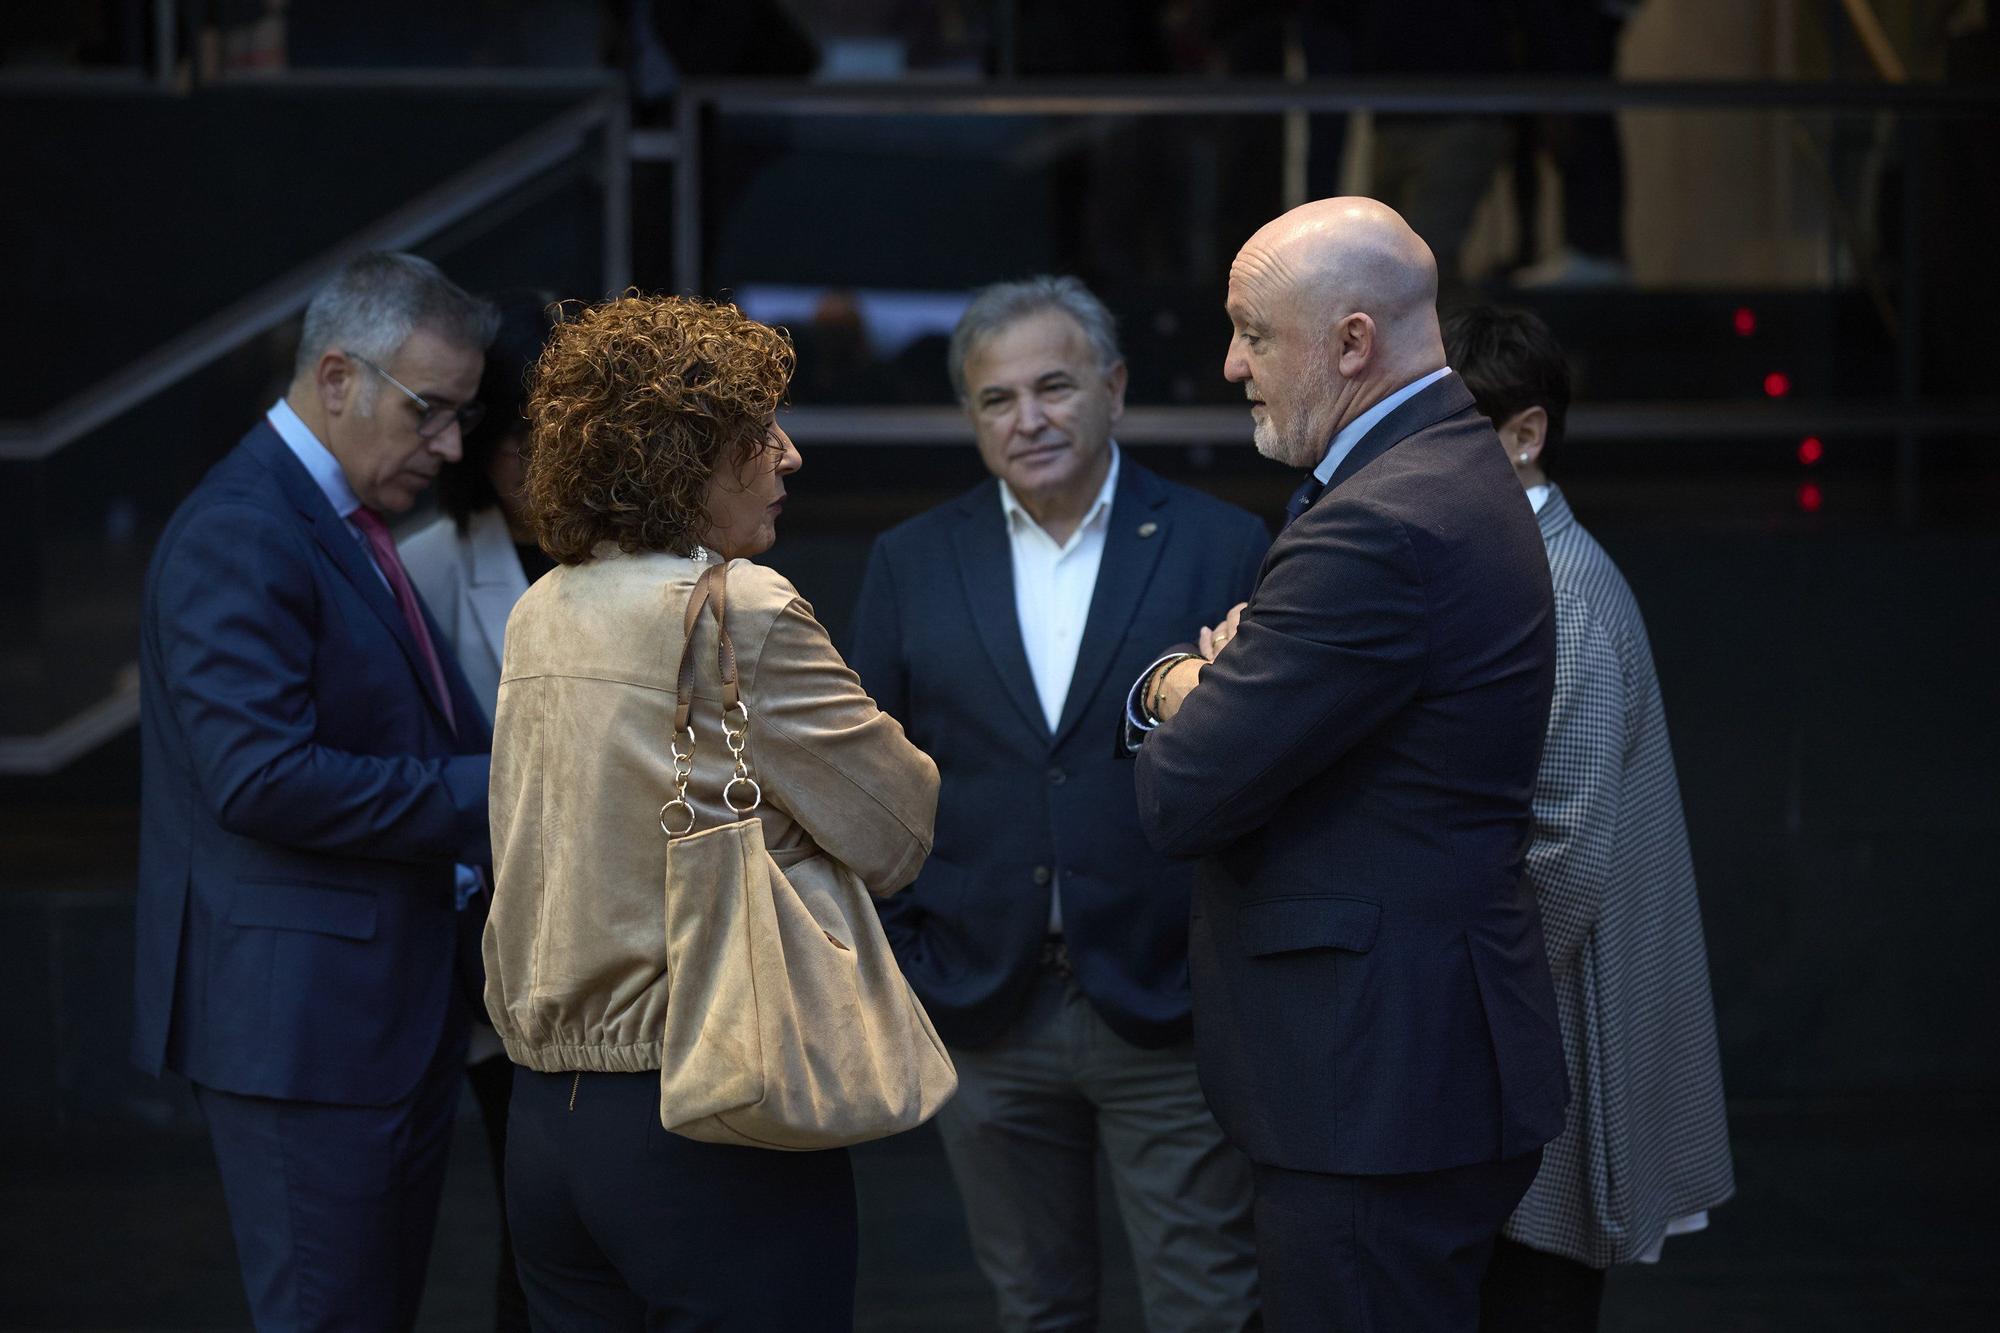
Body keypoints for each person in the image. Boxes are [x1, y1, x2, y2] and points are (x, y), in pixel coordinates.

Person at [1123, 198, 1570, 1333]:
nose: (1231, 365)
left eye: (1252, 334)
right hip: (1402, 1069)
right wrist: (1230, 680)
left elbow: (1179, 795)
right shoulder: (1441, 466)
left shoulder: (1383, 522)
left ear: (1354, 342)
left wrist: (1179, 682)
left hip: (1375, 1087)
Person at [482, 294, 939, 1330]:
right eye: (756, 434)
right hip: (710, 1106)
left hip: (545, 1125)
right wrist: (791, 828)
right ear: (681, 456)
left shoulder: (540, 607)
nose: (788, 456)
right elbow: (899, 828)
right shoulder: (740, 609)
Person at [847, 276, 1266, 1332]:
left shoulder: (1219, 544)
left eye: (1053, 387)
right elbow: (866, 779)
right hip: (982, 1005)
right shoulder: (911, 561)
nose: (1026, 419)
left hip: (1168, 1004)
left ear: (1113, 389)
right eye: (996, 399)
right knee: (1033, 1309)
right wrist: (910, 954)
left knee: (1209, 1306)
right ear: (969, 416)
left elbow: (1265, 773)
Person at [132, 251, 498, 1329]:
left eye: (463, 416)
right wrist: (506, 787)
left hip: (370, 1020)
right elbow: (261, 779)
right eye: (429, 410)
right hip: (307, 1033)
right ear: (337, 377)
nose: (451, 446)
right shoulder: (243, 527)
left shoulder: (333, 516)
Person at [1440, 304, 1735, 1332]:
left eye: (1447, 429)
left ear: (1524, 434)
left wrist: (1456, 1021)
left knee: (1532, 1291)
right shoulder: (1517, 566)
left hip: (1540, 1036)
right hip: (1527, 1027)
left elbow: (1560, 857)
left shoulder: (1556, 590)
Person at [399, 290, 557, 1333]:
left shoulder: (659, 552)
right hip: (511, 963)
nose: (544, 465)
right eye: (518, 442)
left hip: (657, 957)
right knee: (537, 1232)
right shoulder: (428, 569)